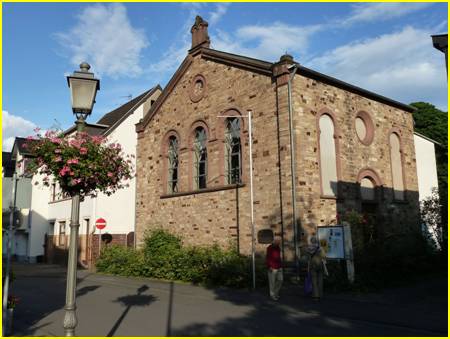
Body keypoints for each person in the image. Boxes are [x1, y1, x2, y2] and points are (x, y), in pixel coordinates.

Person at [307, 236, 327, 300]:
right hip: (320, 265)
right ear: (316, 241)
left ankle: (316, 296)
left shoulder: (309, 248)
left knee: (314, 281)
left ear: (311, 241)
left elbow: (308, 259)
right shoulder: (320, 248)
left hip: (313, 265)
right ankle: (321, 294)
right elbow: (324, 256)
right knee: (320, 280)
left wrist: (308, 267)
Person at [266, 236, 283, 301]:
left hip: (279, 266)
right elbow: (268, 258)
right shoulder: (270, 248)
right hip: (272, 267)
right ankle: (273, 295)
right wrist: (269, 266)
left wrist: (281, 265)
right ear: (275, 241)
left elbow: (278, 257)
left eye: (280, 241)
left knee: (280, 280)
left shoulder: (278, 247)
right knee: (272, 282)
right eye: (278, 241)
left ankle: (275, 293)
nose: (279, 242)